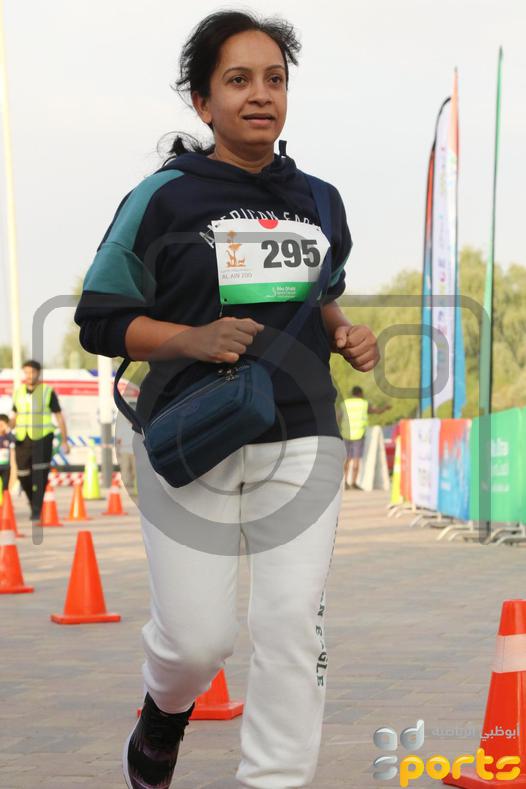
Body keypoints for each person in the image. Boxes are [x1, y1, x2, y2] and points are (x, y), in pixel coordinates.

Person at [74, 11, 380, 789]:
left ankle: (273, 778)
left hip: (303, 432)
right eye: (238, 80)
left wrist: (345, 332)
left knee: (289, 622)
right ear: (203, 102)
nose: (260, 95)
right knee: (197, 641)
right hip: (189, 433)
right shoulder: (163, 198)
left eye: (274, 79)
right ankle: (163, 710)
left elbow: (322, 293)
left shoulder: (320, 199)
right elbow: (100, 319)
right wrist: (192, 338)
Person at [10, 360, 69, 520]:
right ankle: (33, 502)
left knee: (41, 474)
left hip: (43, 437)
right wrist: (6, 428)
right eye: (26, 372)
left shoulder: (47, 392)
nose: (29, 375)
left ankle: (37, 508)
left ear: (38, 373)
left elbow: (59, 416)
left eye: (32, 372)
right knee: (22, 474)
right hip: (22, 438)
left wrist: (65, 440)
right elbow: (15, 416)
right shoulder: (18, 392)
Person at [339, 385, 389, 490]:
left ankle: (345, 482)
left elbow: (337, 417)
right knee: (356, 459)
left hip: (346, 434)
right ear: (360, 393)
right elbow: (377, 411)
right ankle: (353, 482)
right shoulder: (363, 404)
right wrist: (385, 408)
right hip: (358, 434)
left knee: (346, 459)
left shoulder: (345, 404)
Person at [0, 414, 16, 495]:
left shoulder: (8, 437)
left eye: (2, 425)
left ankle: (5, 501)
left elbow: (14, 441)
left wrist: (7, 430)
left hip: (5, 467)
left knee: (5, 487)